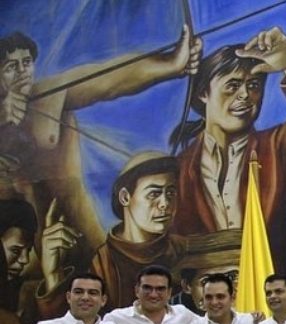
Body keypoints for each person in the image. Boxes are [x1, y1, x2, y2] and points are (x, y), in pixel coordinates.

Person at [0, 28, 200, 276]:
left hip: (73, 216)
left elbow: (109, 80)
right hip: (20, 238)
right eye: (11, 66)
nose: (21, 72)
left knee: (106, 280)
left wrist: (171, 65)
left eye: (26, 63)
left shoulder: (49, 95)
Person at [169, 27, 286, 275]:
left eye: (254, 85)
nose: (245, 95)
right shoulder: (176, 171)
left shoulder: (278, 149)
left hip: (268, 301)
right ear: (203, 93)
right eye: (232, 85)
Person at [89, 152, 187, 309]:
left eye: (170, 193)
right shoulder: (102, 263)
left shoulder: (182, 251)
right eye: (154, 194)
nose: (165, 204)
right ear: (125, 198)